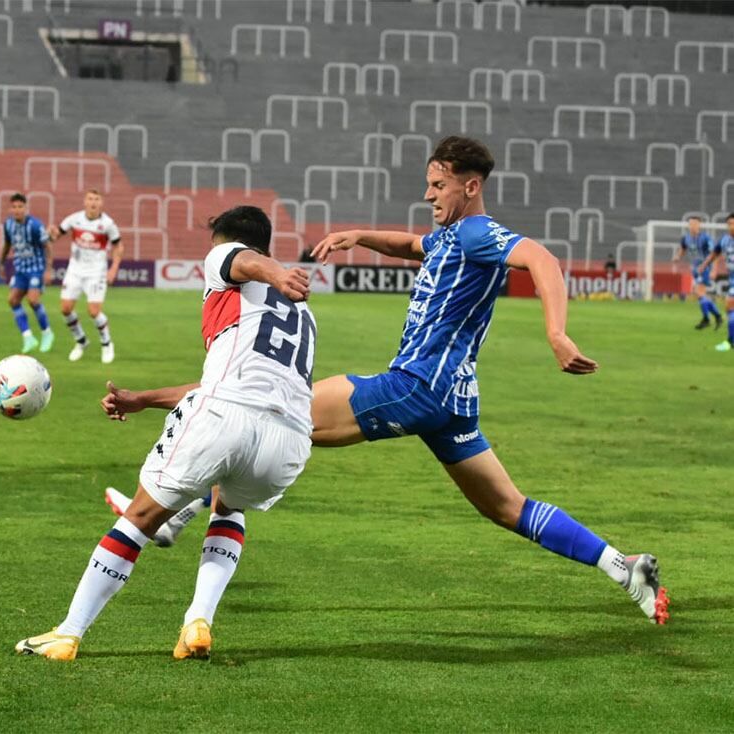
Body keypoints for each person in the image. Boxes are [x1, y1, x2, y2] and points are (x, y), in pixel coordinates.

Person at [104, 137, 670, 627]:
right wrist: (358, 235)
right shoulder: (450, 237)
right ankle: (624, 567)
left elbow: (542, 259)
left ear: (469, 187)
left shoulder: (479, 235)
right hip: (454, 400)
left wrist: (557, 333)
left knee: (273, 410)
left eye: (438, 185)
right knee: (506, 508)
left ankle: (175, 511)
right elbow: (409, 245)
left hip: (416, 384)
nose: (429, 195)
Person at [16, 206, 316, 661]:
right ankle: (198, 621)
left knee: (139, 517)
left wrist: (274, 269)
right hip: (289, 439)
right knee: (228, 506)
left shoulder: (229, 262)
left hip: (226, 418)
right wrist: (144, 398)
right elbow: (228, 380)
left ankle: (68, 633)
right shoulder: (302, 316)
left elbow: (243, 261)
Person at [49, 190, 122, 364]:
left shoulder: (107, 224)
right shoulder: (74, 219)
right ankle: (81, 341)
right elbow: (56, 235)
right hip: (74, 270)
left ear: (101, 203)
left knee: (94, 311)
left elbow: (119, 246)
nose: (93, 202)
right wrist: (51, 232)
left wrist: (114, 268)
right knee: (65, 309)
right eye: (90, 199)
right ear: (85, 201)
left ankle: (106, 343)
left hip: (96, 273)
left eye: (96, 199)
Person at [1, 193, 54, 353]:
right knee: (12, 300)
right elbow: (7, 244)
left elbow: (48, 247)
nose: (17, 210)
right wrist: (1, 262)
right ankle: (28, 337)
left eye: (20, 207)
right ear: (11, 209)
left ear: (26, 208)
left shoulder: (35, 225)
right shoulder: (8, 225)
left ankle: (47, 332)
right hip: (21, 269)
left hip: (36, 269)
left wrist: (48, 270)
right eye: (14, 207)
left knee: (32, 300)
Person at [675, 215, 722, 330]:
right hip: (695, 269)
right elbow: (683, 248)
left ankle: (707, 319)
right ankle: (717, 316)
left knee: (699, 292)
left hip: (705, 267)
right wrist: (677, 257)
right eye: (690, 224)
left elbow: (714, 254)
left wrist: (714, 269)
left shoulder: (706, 238)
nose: (692, 226)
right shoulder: (685, 238)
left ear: (699, 225)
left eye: (695, 224)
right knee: (701, 295)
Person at [703, 214, 734, 352]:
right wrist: (705, 265)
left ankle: (730, 342)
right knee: (729, 308)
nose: (731, 226)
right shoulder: (724, 240)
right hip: (732, 277)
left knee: (729, 304)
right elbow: (715, 253)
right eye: (729, 223)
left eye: (733, 223)